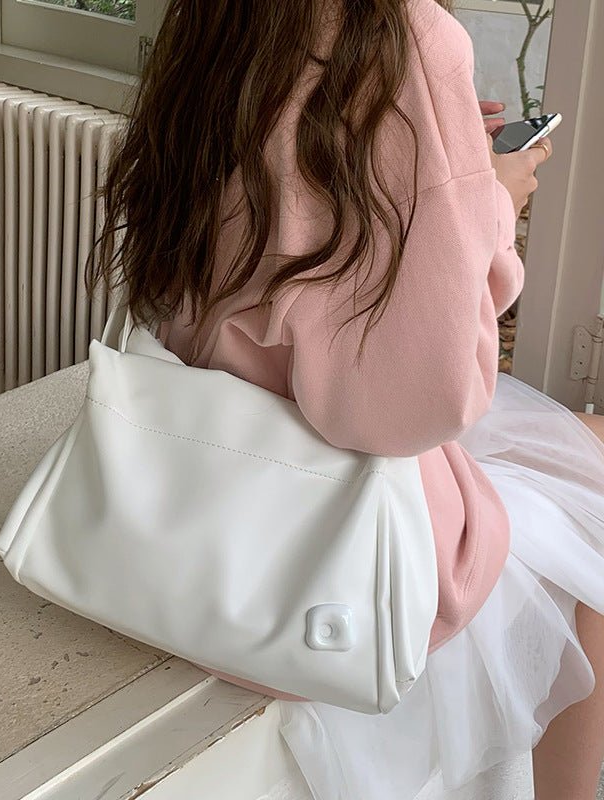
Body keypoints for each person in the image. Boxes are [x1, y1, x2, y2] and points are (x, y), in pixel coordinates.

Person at [96, 1, 604, 798]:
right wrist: (489, 204)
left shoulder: (221, 16)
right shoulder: (413, 39)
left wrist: (423, 159)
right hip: (318, 519)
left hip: (199, 459)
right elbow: (419, 401)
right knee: (591, 494)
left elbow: (280, 220)